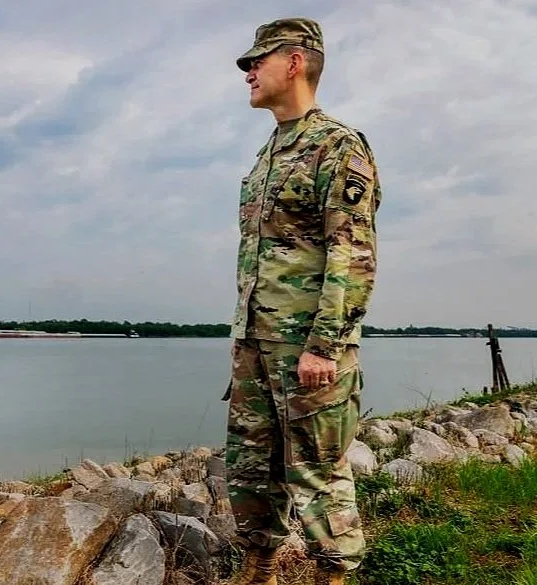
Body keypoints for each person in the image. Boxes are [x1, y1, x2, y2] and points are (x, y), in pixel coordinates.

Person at [222, 17, 382, 585]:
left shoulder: (337, 146)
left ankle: (333, 574)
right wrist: (245, 339)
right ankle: (258, 566)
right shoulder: (268, 153)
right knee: (251, 466)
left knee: (317, 469)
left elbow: (351, 254)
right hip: (255, 342)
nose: (247, 73)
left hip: (307, 347)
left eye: (256, 61)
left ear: (294, 62)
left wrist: (324, 345)